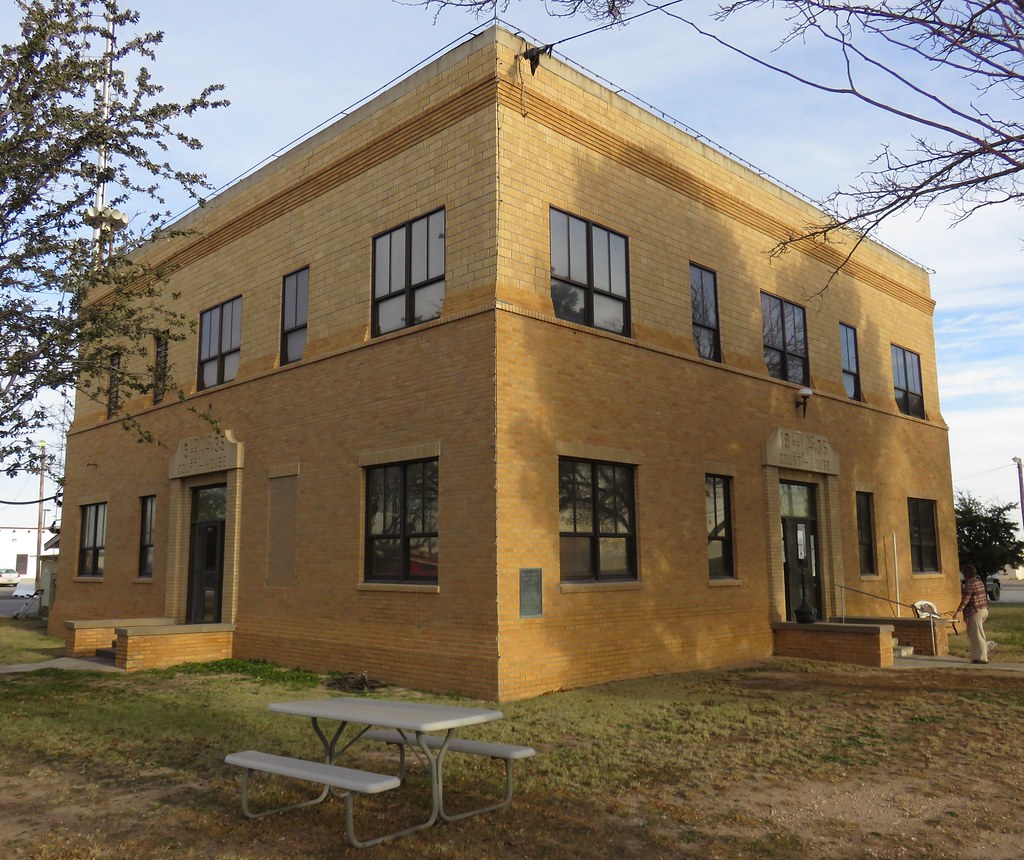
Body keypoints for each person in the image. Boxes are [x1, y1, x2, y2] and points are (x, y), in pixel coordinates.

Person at [953, 564, 990, 664]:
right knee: (972, 634)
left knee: (977, 635)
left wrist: (958, 611)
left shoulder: (970, 584)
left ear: (966, 573)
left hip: (975, 611)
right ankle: (976, 656)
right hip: (984, 610)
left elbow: (966, 599)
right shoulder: (979, 582)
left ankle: (982, 657)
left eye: (963, 573)